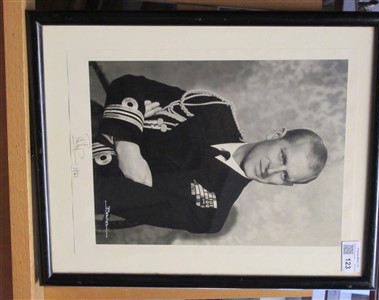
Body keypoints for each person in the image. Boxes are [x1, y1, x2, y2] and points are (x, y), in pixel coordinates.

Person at [92, 74, 328, 234]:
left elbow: (111, 198)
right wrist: (127, 146)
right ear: (276, 134)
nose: (272, 170)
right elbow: (127, 85)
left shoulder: (211, 215)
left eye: (285, 176)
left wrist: (133, 121)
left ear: (285, 186)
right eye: (282, 157)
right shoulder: (215, 111)